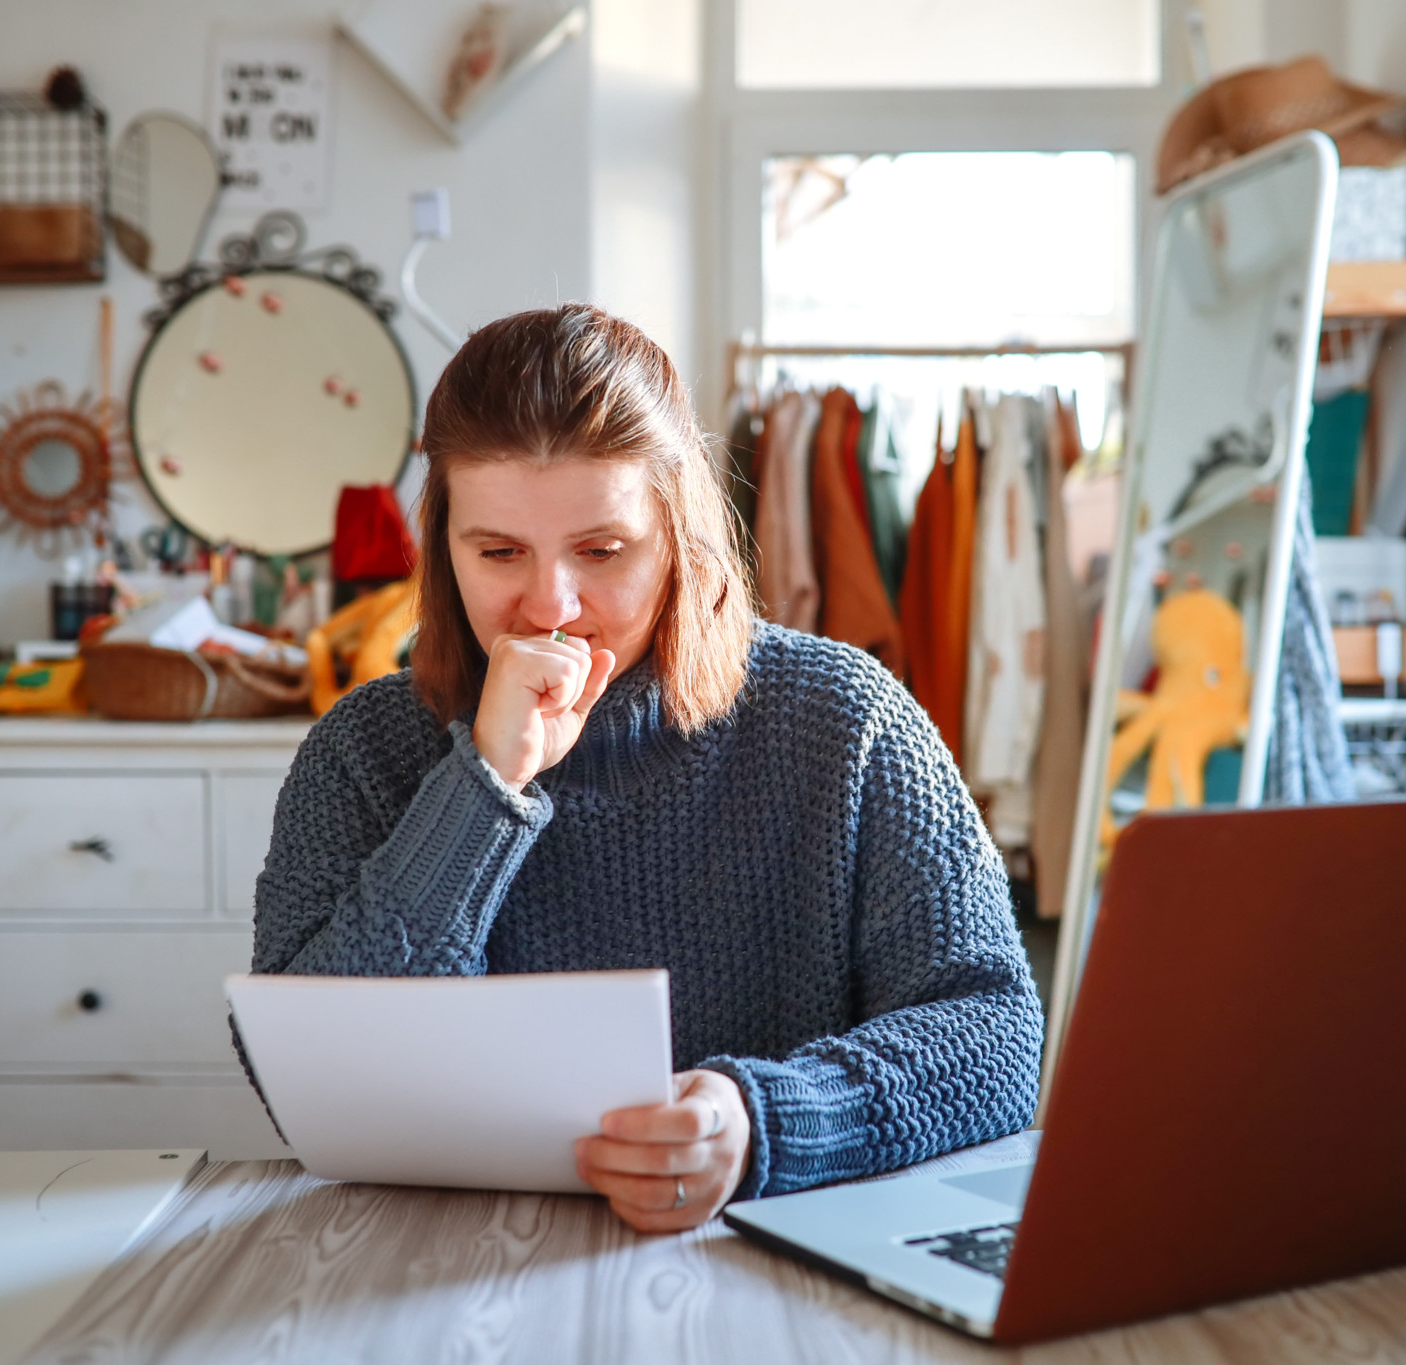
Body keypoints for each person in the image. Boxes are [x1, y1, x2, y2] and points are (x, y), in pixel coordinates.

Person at [250, 304, 1042, 1232]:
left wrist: (760, 1119)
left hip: (775, 1263)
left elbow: (995, 1037)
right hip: (436, 1270)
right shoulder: (363, 749)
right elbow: (305, 1077)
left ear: (678, 536)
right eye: (499, 551)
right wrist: (483, 787)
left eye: (602, 551)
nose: (550, 606)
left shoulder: (843, 718)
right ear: (443, 549)